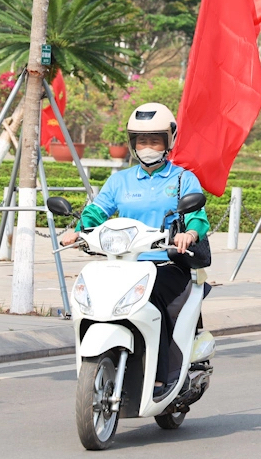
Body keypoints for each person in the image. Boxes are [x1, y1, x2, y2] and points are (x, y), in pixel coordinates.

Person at [59, 102, 210, 398]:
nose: (148, 147)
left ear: (168, 142)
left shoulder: (182, 179)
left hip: (165, 264)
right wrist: (78, 230)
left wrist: (189, 234)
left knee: (152, 303)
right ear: (133, 143)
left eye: (154, 140)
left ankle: (160, 377)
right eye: (142, 140)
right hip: (123, 265)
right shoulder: (120, 181)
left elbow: (197, 217)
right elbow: (96, 211)